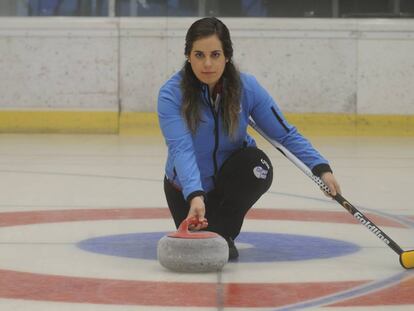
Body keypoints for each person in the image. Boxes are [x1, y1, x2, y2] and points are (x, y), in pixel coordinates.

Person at [157, 17, 341, 260]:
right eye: (199, 55)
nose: (208, 63)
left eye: (215, 54)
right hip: (185, 191)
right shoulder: (171, 95)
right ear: (188, 56)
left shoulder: (247, 87)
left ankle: (223, 233)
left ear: (227, 56)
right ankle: (216, 232)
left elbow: (284, 133)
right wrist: (194, 194)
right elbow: (182, 149)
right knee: (201, 252)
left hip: (227, 186)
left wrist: (321, 168)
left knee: (257, 165)